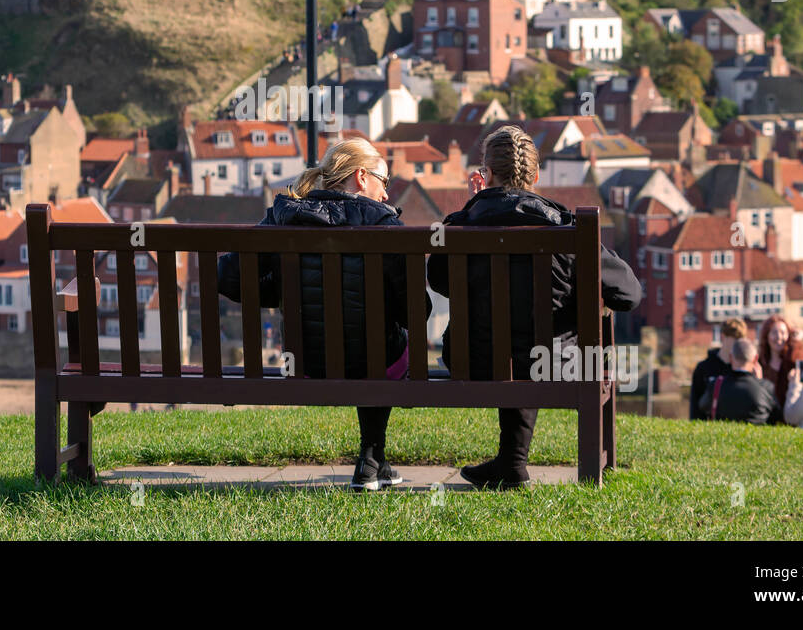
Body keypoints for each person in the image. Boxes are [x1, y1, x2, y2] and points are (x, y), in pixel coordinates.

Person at [427, 124, 641, 489]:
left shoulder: (460, 226)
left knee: (511, 344)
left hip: (470, 359)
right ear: (536, 176)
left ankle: (511, 465)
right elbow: (628, 294)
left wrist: (471, 207)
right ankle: (513, 463)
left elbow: (440, 282)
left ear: (486, 174)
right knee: (530, 348)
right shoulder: (566, 230)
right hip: (555, 363)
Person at [216, 137, 430, 492]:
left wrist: (287, 289)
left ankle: (375, 460)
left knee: (373, 341)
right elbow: (416, 313)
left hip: (306, 362)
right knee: (385, 344)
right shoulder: (385, 226)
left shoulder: (287, 217)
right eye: (384, 181)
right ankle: (371, 456)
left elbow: (227, 276)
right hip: (375, 362)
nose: (387, 195)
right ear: (362, 177)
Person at [697, 338, 776, 425]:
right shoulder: (766, 388)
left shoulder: (716, 385)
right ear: (755, 359)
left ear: (731, 357)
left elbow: (702, 406)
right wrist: (759, 382)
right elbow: (775, 415)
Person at [689, 318, 749, 420]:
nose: (737, 344)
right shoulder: (704, 368)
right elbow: (695, 405)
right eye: (734, 339)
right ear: (723, 337)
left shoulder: (743, 369)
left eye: (740, 340)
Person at [757, 315, 803, 422]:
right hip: (767, 419)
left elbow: (800, 366)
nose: (779, 337)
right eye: (774, 332)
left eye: (783, 333)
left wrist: (797, 342)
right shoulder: (761, 363)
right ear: (767, 336)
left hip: (790, 418)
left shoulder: (791, 359)